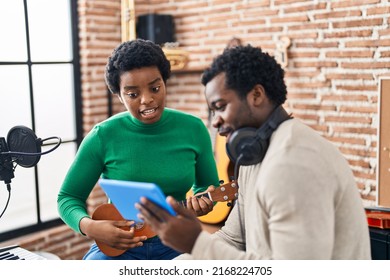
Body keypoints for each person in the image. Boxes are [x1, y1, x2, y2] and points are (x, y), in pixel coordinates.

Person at [136, 45, 372, 259]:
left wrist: (195, 243)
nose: (215, 122)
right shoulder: (252, 156)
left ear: (256, 95)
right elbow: (233, 238)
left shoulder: (293, 164)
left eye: (220, 107)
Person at [57, 39, 220, 260]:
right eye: (133, 94)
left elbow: (205, 186)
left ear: (165, 81)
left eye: (155, 88)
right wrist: (90, 227)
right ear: (119, 96)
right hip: (119, 247)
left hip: (177, 241)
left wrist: (203, 202)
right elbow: (68, 197)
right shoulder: (103, 135)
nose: (147, 100)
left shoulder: (193, 128)